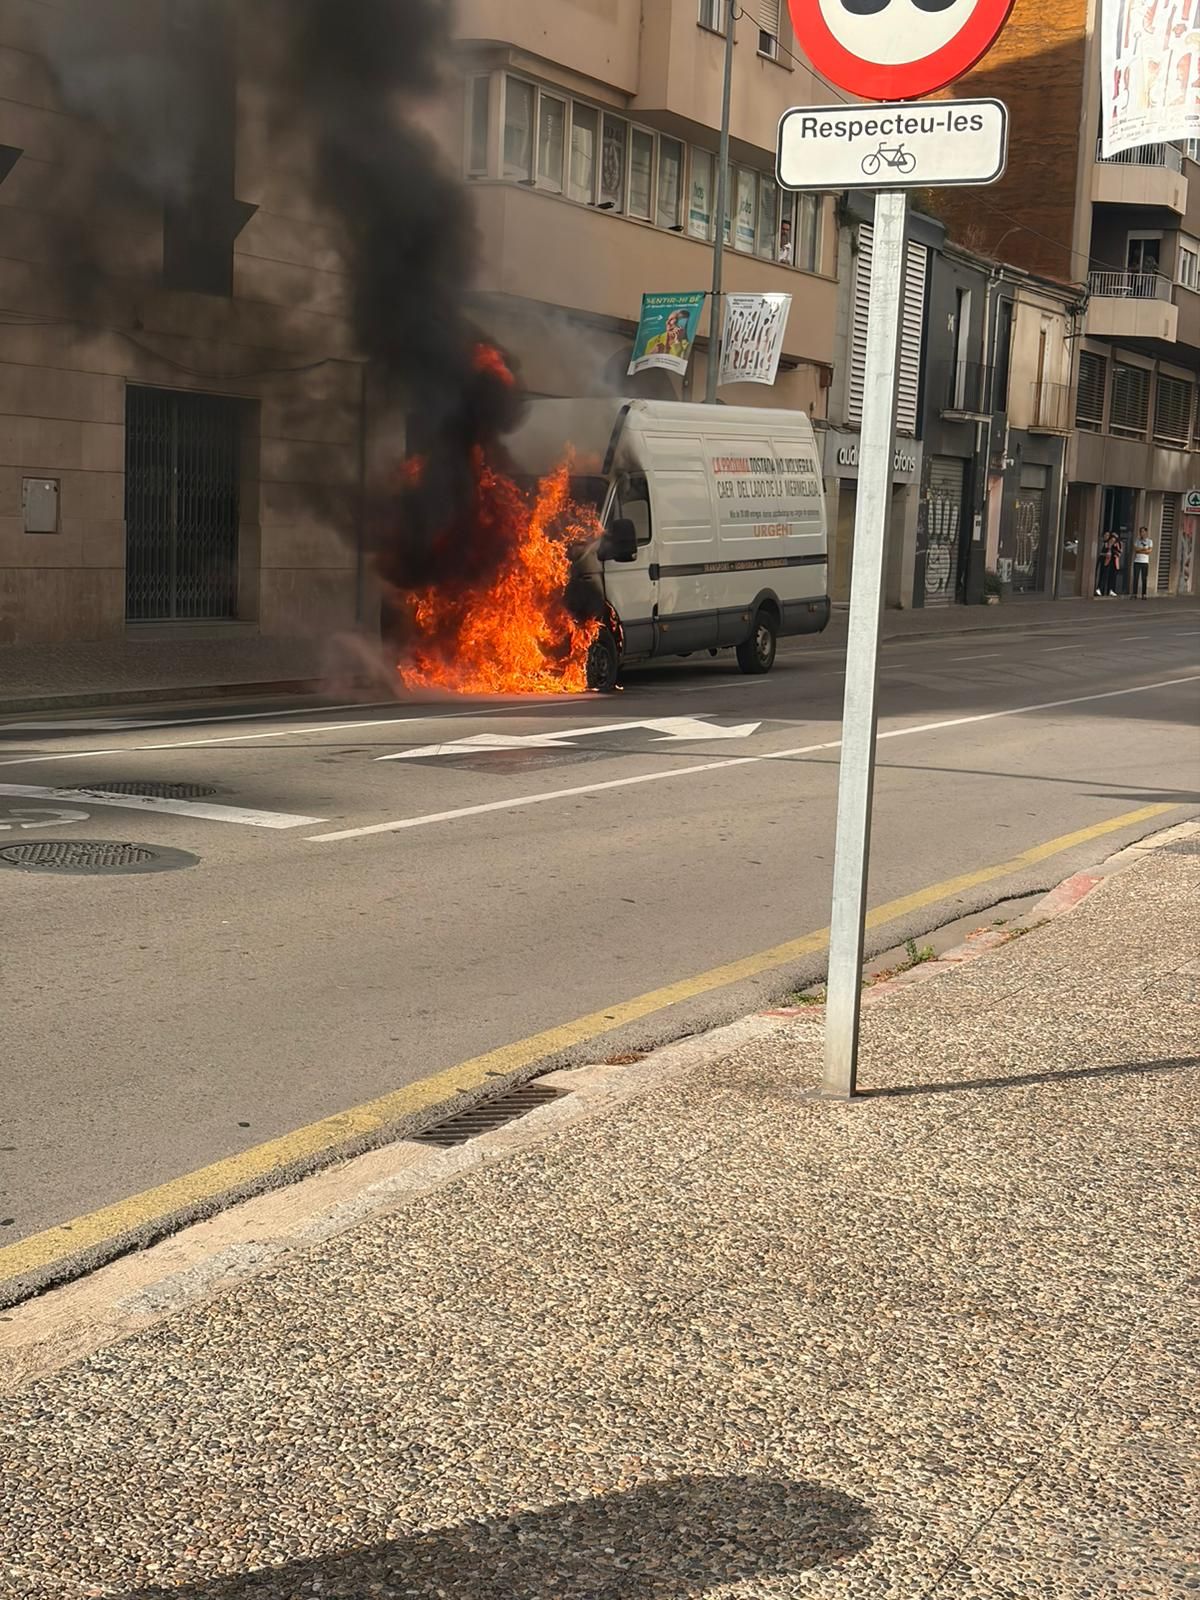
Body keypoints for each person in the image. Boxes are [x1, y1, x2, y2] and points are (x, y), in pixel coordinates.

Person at [1130, 524, 1153, 596]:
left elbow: (1149, 551)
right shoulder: (1137, 541)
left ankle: (1144, 594)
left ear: (1146, 532)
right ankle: (1134, 593)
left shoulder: (1149, 541)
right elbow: (1136, 549)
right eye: (1140, 532)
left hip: (1145, 562)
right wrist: (1144, 549)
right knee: (1136, 578)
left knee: (1144, 578)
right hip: (1137, 561)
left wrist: (1141, 550)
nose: (1142, 533)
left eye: (1143, 532)